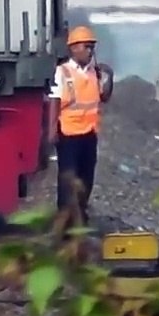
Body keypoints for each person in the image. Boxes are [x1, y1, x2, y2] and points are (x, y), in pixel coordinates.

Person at [46, 26, 114, 223]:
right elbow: (54, 99)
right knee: (68, 178)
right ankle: (65, 218)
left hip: (89, 133)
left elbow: (104, 97)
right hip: (68, 134)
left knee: (86, 177)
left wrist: (109, 79)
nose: (91, 51)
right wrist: (51, 129)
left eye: (92, 47)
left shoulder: (95, 72)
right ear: (74, 48)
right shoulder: (63, 71)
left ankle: (80, 214)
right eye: (87, 46)